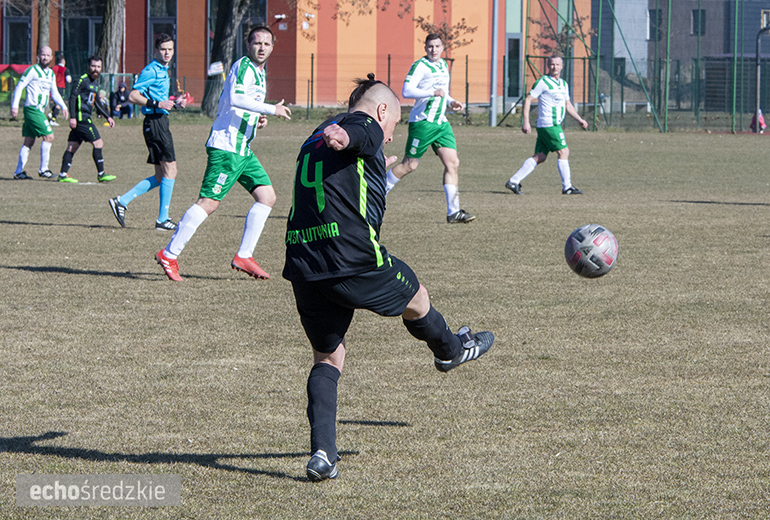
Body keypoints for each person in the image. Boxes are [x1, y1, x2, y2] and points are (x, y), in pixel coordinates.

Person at [283, 75, 494, 482]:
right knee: (417, 297)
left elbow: (345, 152)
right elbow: (356, 134)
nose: (391, 137)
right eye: (394, 125)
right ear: (381, 111)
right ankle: (451, 349)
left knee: (328, 358)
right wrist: (349, 138)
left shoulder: (315, 135)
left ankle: (323, 454)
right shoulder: (362, 126)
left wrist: (348, 144)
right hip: (352, 257)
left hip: (305, 261)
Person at [154, 25, 291, 281]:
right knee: (209, 202)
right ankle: (169, 254)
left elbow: (241, 106)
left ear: (273, 47)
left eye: (267, 44)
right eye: (257, 43)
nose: (262, 48)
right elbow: (237, 98)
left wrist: (258, 118)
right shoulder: (244, 67)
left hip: (243, 149)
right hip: (227, 146)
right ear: (248, 45)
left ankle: (244, 256)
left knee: (267, 196)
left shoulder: (260, 73)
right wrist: (271, 109)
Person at [385, 33, 475, 224]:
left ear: (443, 48)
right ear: (425, 48)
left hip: (441, 123)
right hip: (423, 122)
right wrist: (432, 92)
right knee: (410, 165)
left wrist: (452, 102)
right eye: (430, 47)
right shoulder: (420, 66)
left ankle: (454, 212)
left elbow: (444, 93)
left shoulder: (443, 65)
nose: (433, 50)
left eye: (436, 46)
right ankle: (376, 193)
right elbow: (406, 91)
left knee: (453, 163)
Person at [109, 33, 186, 231]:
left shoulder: (163, 70)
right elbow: (133, 95)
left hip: (160, 120)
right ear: (155, 50)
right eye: (163, 49)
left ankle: (122, 201)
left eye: (170, 49)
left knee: (161, 176)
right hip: (155, 123)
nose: (167, 53)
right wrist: (158, 103)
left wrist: (174, 103)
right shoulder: (151, 70)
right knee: (171, 170)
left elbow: (158, 97)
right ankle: (162, 219)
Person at [505, 55, 588, 195]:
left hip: (551, 125)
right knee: (563, 152)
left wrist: (579, 119)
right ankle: (567, 187)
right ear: (548, 66)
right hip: (549, 124)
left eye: (557, 64)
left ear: (562, 66)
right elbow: (528, 100)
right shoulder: (542, 82)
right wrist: (526, 122)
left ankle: (513, 181)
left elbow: (567, 104)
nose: (554, 67)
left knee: (540, 156)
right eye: (551, 64)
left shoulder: (563, 84)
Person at [10, 46, 69, 180]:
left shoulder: (51, 74)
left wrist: (63, 106)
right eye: (43, 55)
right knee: (49, 136)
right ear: (38, 56)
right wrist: (14, 106)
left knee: (29, 141)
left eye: (48, 55)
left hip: (39, 111)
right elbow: (19, 87)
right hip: (32, 109)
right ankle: (43, 169)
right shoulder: (32, 70)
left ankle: (18, 172)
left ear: (52, 58)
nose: (45, 58)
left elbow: (54, 92)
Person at [56, 55, 116, 184]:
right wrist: (72, 117)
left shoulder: (95, 83)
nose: (96, 69)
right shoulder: (81, 80)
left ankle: (62, 174)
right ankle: (101, 174)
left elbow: (97, 102)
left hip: (84, 118)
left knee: (72, 146)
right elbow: (72, 98)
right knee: (98, 143)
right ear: (88, 67)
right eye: (93, 66)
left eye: (98, 67)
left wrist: (108, 116)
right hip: (81, 118)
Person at [50, 52, 71, 125]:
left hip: (52, 86)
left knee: (55, 103)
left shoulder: (53, 68)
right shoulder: (65, 69)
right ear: (63, 61)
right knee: (58, 104)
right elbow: (68, 79)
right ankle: (53, 119)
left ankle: (51, 113)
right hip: (60, 87)